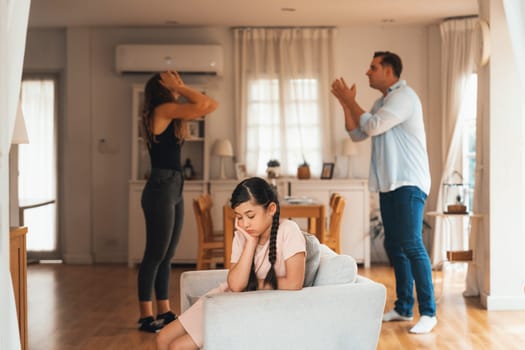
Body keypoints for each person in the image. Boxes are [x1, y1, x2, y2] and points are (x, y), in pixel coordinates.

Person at [331, 51, 437, 334]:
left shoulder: (405, 97)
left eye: (373, 67)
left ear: (389, 71)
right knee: (394, 245)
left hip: (409, 182)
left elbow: (373, 126)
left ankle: (428, 312)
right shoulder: (382, 101)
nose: (368, 72)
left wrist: (352, 101)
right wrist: (345, 104)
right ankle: (403, 307)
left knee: (412, 244)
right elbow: (357, 134)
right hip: (389, 184)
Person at [156, 177, 306, 349]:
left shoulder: (288, 231)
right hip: (228, 297)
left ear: (271, 209)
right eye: (239, 217)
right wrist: (250, 242)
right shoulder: (243, 234)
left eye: (250, 215)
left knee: (177, 347)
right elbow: (235, 284)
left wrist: (255, 283)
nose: (245, 223)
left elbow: (294, 283)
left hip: (246, 305)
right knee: (162, 338)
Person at [137, 70, 218, 333]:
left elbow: (210, 106)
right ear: (162, 89)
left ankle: (165, 310)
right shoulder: (162, 110)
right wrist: (182, 88)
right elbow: (206, 104)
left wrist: (180, 88)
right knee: (155, 254)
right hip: (161, 187)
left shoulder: (170, 114)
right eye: (171, 83)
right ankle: (146, 316)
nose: (177, 86)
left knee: (168, 254)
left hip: (173, 185)